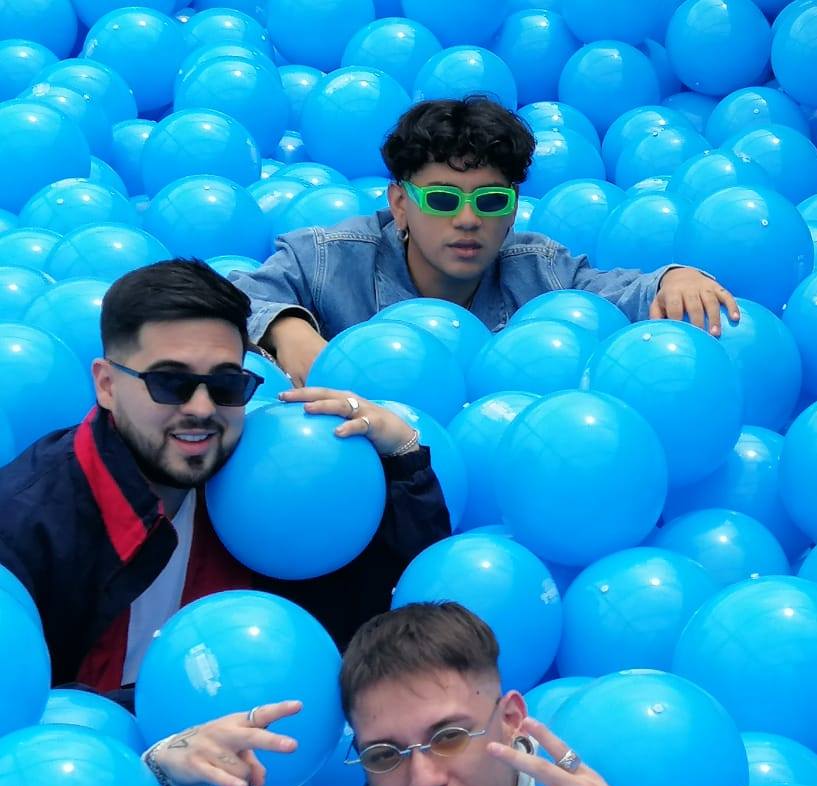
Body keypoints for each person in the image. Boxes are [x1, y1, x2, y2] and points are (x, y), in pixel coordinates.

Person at [0, 259, 451, 699]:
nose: (201, 408)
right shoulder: (24, 523)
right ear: (107, 385)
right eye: (170, 383)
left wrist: (402, 458)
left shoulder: (272, 476)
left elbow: (396, 621)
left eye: (225, 385)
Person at [144, 601, 671, 786]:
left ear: (511, 718)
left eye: (448, 737)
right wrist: (171, 785)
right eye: (384, 754)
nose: (423, 781)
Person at [235, 96, 740, 384]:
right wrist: (287, 330)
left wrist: (675, 277)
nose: (468, 219)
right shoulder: (330, 259)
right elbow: (231, 296)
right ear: (399, 203)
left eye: (491, 200)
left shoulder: (539, 271)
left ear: (514, 209)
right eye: (442, 199)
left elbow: (616, 294)